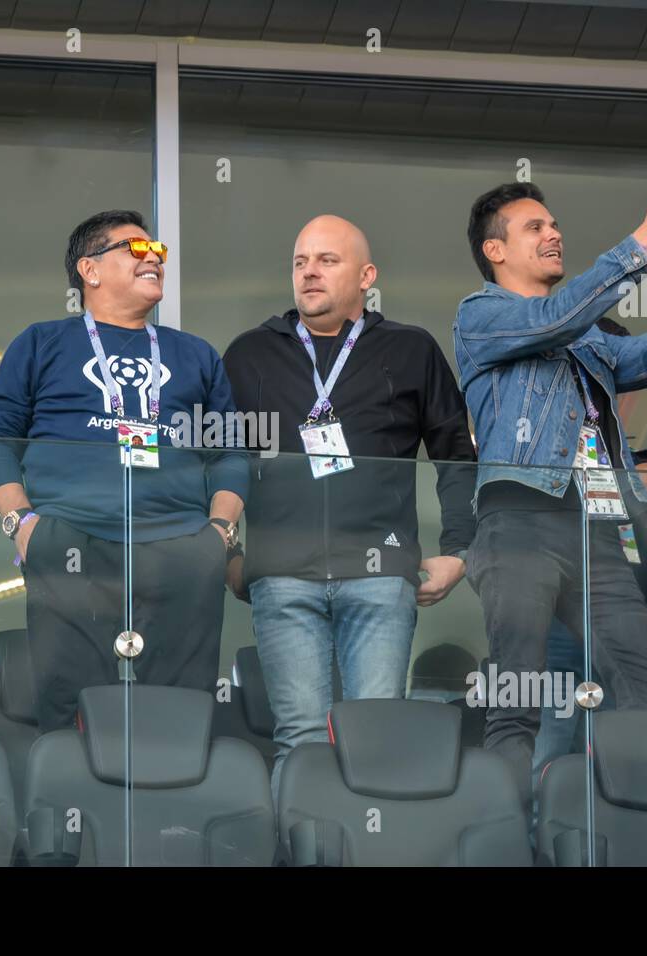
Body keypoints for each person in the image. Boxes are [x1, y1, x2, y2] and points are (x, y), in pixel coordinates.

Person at [454, 181, 647, 805]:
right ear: (495, 251)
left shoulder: (587, 338)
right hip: (518, 521)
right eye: (534, 228)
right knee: (517, 703)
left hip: (594, 535)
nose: (554, 234)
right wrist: (644, 239)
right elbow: (555, 317)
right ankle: (503, 842)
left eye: (554, 224)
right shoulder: (479, 314)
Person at [223, 214, 476, 796]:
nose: (309, 271)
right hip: (282, 574)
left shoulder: (410, 349)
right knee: (301, 740)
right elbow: (213, 460)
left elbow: (457, 456)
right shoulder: (249, 354)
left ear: (367, 276)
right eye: (300, 261)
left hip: (381, 574)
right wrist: (229, 552)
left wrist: (459, 550)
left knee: (377, 739)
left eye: (327, 260)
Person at [0, 210, 248, 732]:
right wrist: (24, 526)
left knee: (181, 718)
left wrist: (219, 536)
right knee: (71, 710)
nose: (154, 258)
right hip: (71, 543)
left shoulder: (195, 354)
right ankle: (74, 815)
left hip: (182, 549)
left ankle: (173, 817)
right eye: (135, 249)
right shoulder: (40, 342)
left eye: (158, 252)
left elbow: (230, 453)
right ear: (90, 270)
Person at [531, 321, 647, 781]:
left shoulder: (641, 465)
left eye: (624, 377)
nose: (619, 389)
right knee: (547, 767)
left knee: (638, 767)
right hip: (557, 638)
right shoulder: (537, 452)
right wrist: (628, 485)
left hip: (630, 635)